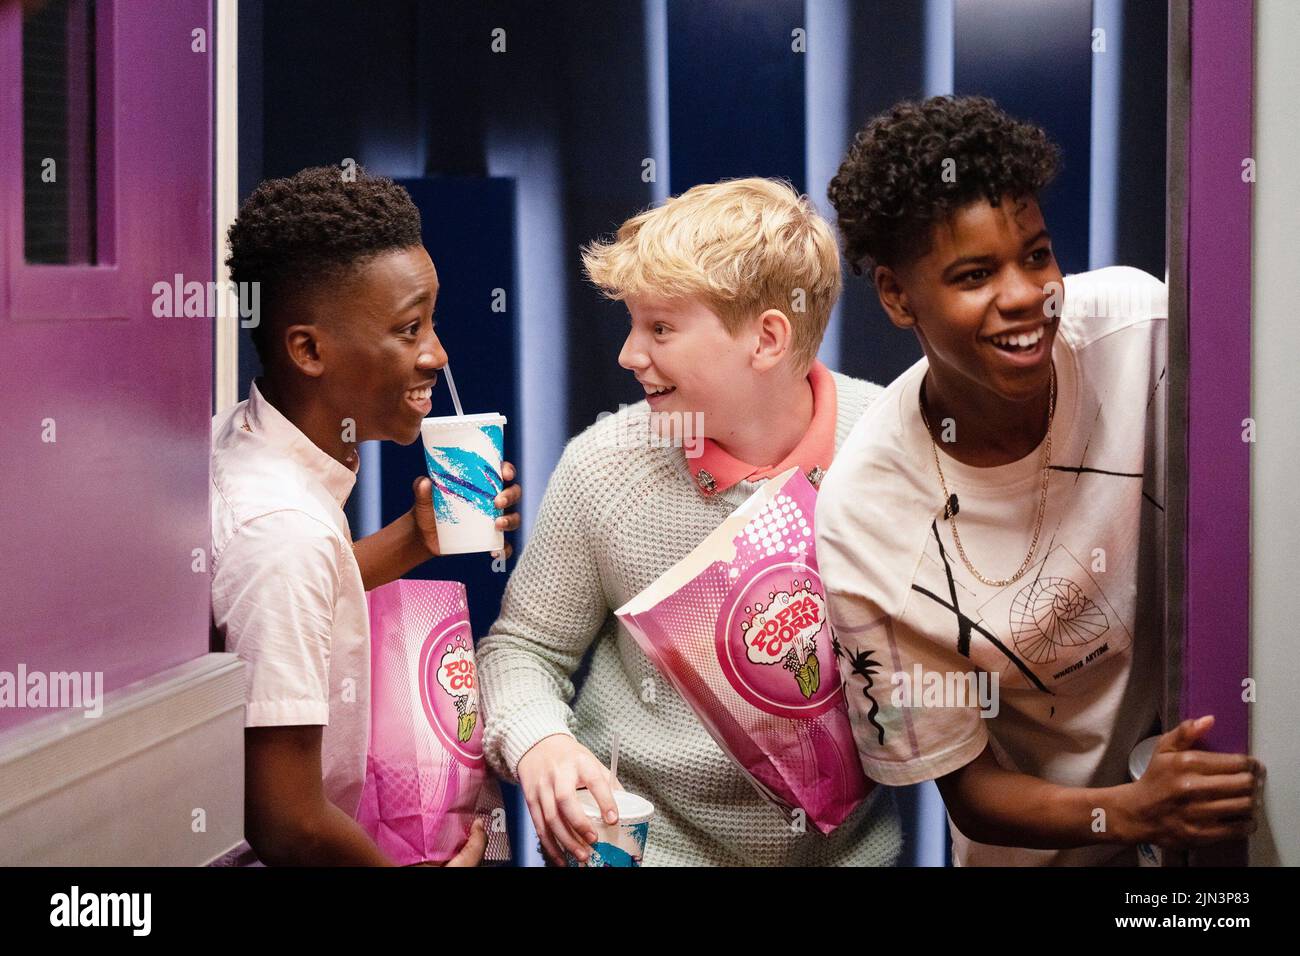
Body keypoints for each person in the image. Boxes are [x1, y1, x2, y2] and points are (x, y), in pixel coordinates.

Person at [817, 95, 1263, 865]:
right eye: (974, 275)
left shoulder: (1142, 335)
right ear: (896, 295)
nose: (1026, 294)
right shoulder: (866, 517)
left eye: (1035, 255)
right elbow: (970, 789)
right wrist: (1131, 813)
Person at [477, 177, 902, 866]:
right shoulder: (604, 465)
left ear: (767, 338)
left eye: (660, 328)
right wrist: (540, 742)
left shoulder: (894, 444)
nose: (628, 354)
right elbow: (523, 649)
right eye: (633, 324)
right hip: (647, 847)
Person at [211, 166, 522, 865]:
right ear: (309, 350)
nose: (437, 354)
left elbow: (299, 597)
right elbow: (289, 822)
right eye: (410, 329)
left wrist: (415, 538)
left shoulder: (245, 443)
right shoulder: (282, 533)